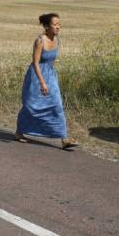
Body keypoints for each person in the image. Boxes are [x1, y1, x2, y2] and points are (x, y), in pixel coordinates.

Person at [15, 13, 78, 150]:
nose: (58, 27)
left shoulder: (57, 40)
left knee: (57, 105)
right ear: (47, 26)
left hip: (50, 76)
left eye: (59, 24)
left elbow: (52, 61)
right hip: (36, 76)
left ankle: (64, 138)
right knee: (31, 105)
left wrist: (51, 77)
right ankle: (20, 131)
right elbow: (36, 63)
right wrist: (42, 82)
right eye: (55, 24)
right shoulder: (39, 41)